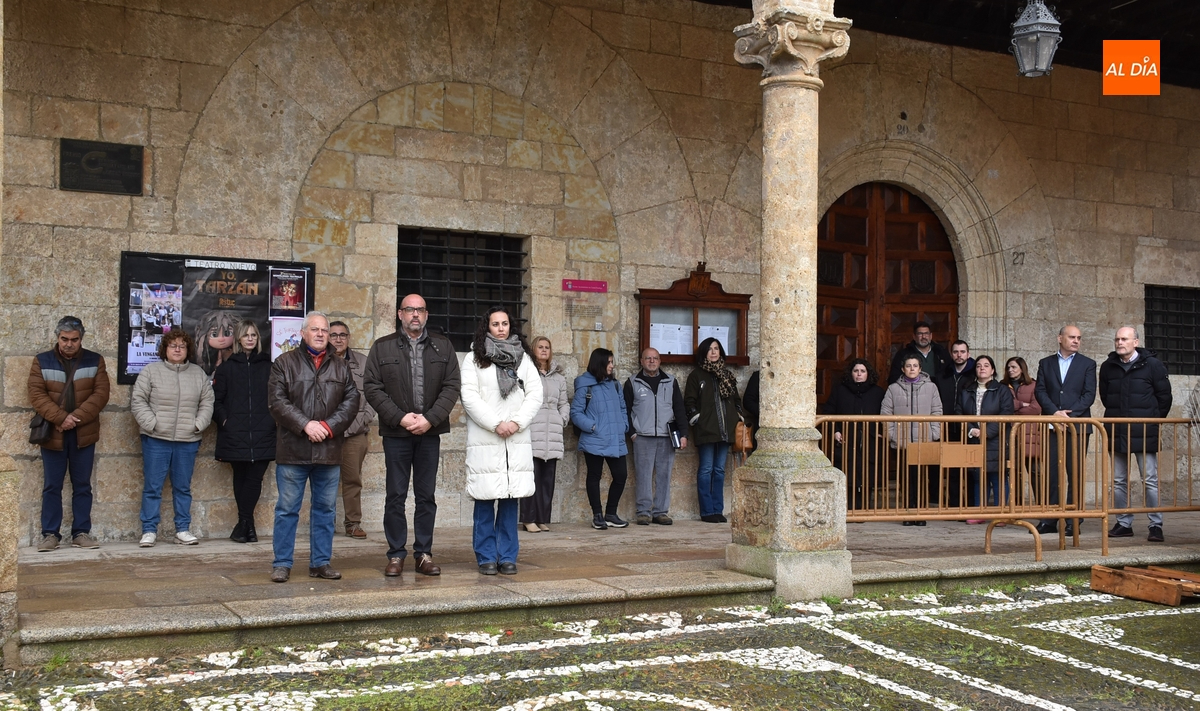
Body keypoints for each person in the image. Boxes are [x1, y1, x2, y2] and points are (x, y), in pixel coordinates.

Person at [363, 294, 461, 577]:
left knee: (426, 496)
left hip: (429, 434)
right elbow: (372, 387)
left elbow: (451, 386)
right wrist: (401, 417)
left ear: (426, 314)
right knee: (395, 495)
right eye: (410, 310)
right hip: (397, 433)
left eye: (419, 310)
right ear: (400, 314)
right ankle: (395, 555)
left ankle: (424, 554)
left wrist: (430, 419)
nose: (415, 314)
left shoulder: (443, 346)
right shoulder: (382, 348)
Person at [266, 311, 360, 582]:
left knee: (325, 510)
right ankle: (282, 563)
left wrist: (328, 427)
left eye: (324, 330)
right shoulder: (284, 363)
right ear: (303, 333)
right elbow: (276, 402)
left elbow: (352, 401)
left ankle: (320, 562)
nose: (321, 334)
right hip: (292, 450)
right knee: (286, 510)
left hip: (329, 451)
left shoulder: (341, 366)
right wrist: (306, 425)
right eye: (315, 329)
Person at [460, 308, 543, 575]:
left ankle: (507, 556)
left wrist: (516, 423)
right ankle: (485, 556)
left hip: (515, 441)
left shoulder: (524, 359)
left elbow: (535, 395)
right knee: (485, 501)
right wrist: (497, 423)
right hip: (487, 438)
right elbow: (469, 397)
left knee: (509, 501)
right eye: (495, 324)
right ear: (487, 327)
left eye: (505, 323)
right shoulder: (474, 359)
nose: (501, 328)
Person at [28, 316, 110, 551]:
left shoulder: (95, 360)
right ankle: (50, 534)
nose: (69, 344)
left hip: (83, 433)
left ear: (81, 339)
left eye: (74, 339)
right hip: (53, 433)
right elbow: (36, 394)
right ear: (58, 338)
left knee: (82, 484)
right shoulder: (41, 361)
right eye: (64, 339)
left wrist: (75, 419)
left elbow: (100, 394)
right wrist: (61, 418)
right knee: (52, 485)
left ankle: (81, 532)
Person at [131, 329, 214, 547]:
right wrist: (153, 424)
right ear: (165, 349)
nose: (177, 349)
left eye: (182, 346)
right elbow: (138, 400)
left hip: (187, 440)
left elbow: (207, 403)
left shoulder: (198, 374)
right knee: (152, 486)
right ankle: (149, 530)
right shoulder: (150, 371)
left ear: (188, 350)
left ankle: (182, 529)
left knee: (183, 487)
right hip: (156, 439)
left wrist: (198, 425)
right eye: (173, 345)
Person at [1100, 326, 1172, 542]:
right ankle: (1123, 523)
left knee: (1150, 479)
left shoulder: (1153, 365)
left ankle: (1156, 525)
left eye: (1124, 339)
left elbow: (1164, 397)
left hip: (1144, 432)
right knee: (1118, 480)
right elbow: (1106, 396)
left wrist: (1151, 422)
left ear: (1136, 342)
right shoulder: (1108, 366)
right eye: (1117, 339)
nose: (1119, 342)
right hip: (1117, 430)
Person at [212, 320, 276, 543]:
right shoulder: (227, 368)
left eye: (254, 335)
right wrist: (225, 421)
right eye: (246, 335)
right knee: (240, 478)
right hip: (235, 433)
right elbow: (216, 400)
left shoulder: (269, 367)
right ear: (238, 339)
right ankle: (246, 526)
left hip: (264, 432)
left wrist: (272, 421)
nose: (250, 339)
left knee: (254, 478)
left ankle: (244, 524)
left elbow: (278, 398)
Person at [1034, 324, 1096, 536]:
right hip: (1052, 426)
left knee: (1075, 472)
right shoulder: (1046, 363)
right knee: (1051, 473)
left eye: (1079, 337)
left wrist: (1068, 416)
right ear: (1060, 338)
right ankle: (1050, 519)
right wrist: (1054, 413)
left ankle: (1073, 520)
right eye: (1072, 337)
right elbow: (1040, 391)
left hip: (1077, 426)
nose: (1076, 341)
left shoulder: (1088, 364)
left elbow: (1089, 395)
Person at [624, 348, 688, 526]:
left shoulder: (671, 382)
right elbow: (626, 411)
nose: (652, 361)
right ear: (641, 361)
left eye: (655, 358)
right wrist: (632, 433)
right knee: (643, 475)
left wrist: (683, 434)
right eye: (648, 358)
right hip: (642, 437)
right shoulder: (632, 382)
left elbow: (679, 409)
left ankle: (660, 511)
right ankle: (643, 512)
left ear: (660, 361)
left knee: (664, 475)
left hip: (666, 436)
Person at [685, 338, 743, 523]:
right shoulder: (696, 376)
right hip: (707, 430)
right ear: (704, 352)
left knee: (719, 470)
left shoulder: (727, 375)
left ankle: (718, 509)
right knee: (706, 469)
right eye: (710, 349)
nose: (713, 352)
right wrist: (697, 419)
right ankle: (707, 511)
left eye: (716, 348)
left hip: (726, 431)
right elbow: (689, 401)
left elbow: (736, 400)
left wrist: (738, 417)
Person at [880, 354, 942, 526]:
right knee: (905, 478)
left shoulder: (931, 388)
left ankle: (921, 513)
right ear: (903, 369)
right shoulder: (893, 388)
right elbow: (886, 413)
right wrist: (892, 435)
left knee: (922, 477)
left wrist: (934, 433)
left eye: (915, 366)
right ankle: (908, 512)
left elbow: (937, 410)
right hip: (903, 442)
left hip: (924, 441)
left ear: (920, 369)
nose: (912, 369)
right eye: (909, 366)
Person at [572, 348, 630, 530]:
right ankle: (597, 515)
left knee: (621, 475)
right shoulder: (584, 385)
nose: (612, 366)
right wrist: (593, 427)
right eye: (609, 362)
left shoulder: (615, 385)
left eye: (613, 362)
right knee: (594, 476)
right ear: (600, 363)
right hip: (594, 438)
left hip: (616, 437)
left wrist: (624, 425)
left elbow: (622, 408)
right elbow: (576, 412)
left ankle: (611, 513)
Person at [329, 321, 375, 539]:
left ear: (348, 338)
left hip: (355, 433)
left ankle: (353, 523)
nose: (338, 339)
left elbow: (373, 395)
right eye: (334, 335)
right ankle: (324, 524)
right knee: (323, 480)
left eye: (342, 335)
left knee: (352, 480)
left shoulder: (363, 363)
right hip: (326, 433)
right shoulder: (319, 362)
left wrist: (363, 420)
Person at [821, 358, 885, 511]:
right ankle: (847, 509)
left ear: (868, 374)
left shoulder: (878, 392)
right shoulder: (840, 390)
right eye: (856, 371)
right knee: (847, 473)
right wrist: (835, 430)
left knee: (867, 475)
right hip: (846, 440)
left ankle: (864, 509)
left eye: (863, 371)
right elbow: (829, 412)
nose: (859, 374)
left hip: (869, 440)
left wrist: (881, 432)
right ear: (851, 373)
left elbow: (886, 413)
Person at [956, 356, 1014, 520]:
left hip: (996, 439)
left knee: (997, 475)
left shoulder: (1002, 390)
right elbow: (959, 413)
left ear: (993, 370)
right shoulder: (967, 390)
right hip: (973, 438)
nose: (982, 368)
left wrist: (987, 432)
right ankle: (978, 512)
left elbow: (1006, 413)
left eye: (986, 365)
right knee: (978, 476)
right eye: (979, 366)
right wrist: (972, 430)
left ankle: (1000, 514)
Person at [521, 336, 569, 533]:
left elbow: (564, 402)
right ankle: (528, 518)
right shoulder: (526, 373)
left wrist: (562, 419)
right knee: (531, 478)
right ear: (533, 350)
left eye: (547, 347)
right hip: (533, 431)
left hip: (553, 434)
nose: (543, 350)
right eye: (540, 347)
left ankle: (542, 518)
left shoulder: (559, 377)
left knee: (547, 480)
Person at [1002, 357, 1041, 506]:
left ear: (1022, 368)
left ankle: (1041, 504)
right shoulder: (1003, 386)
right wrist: (1021, 404)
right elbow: (1003, 406)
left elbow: (1036, 408)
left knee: (1035, 471)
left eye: (1014, 367)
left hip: (1030, 434)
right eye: (1008, 367)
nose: (1010, 370)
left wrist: (1014, 408)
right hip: (1010, 434)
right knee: (1014, 473)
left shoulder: (1033, 385)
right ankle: (1016, 507)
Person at [887, 321, 952, 385]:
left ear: (931, 336)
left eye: (926, 333)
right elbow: (894, 378)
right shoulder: (904, 354)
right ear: (914, 336)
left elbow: (950, 374)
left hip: (937, 392)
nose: (924, 337)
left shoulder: (941, 352)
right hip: (913, 392)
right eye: (920, 334)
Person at [193, 309, 240, 374]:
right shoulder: (205, 354)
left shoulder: (236, 356)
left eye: (227, 333)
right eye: (214, 334)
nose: (221, 339)